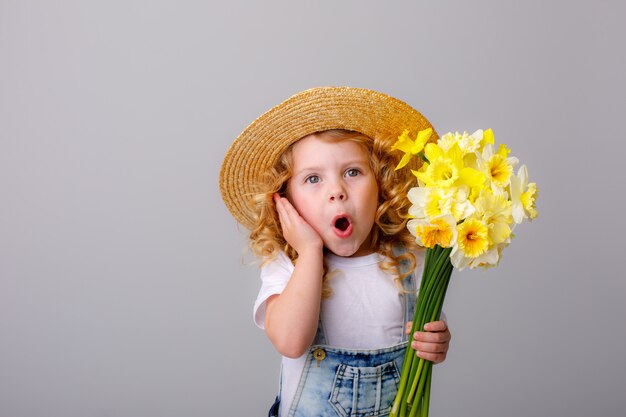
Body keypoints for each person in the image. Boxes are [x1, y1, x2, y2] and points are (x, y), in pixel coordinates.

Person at [220, 87, 452, 417]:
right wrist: (310, 252)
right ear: (286, 201)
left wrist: (435, 341)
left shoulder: (408, 260)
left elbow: (424, 329)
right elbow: (290, 341)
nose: (337, 192)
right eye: (313, 178)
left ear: (382, 184)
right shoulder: (287, 265)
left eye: (352, 172)